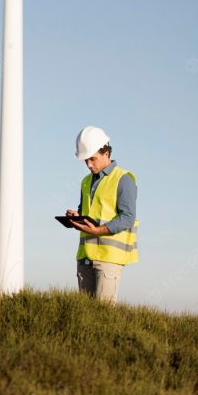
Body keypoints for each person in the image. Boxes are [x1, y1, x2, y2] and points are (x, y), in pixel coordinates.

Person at [65, 126, 138, 304]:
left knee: (103, 316)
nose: (89, 164)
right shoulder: (86, 181)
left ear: (106, 152)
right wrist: (77, 216)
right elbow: (88, 211)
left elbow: (128, 217)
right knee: (85, 316)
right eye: (86, 161)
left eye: (92, 159)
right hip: (85, 257)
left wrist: (99, 230)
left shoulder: (123, 179)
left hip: (108, 259)